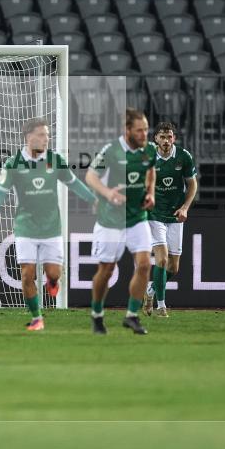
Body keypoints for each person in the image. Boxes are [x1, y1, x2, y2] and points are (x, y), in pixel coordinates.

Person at [0, 118, 97, 331]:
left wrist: (93, 199)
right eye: (41, 135)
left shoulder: (55, 160)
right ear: (29, 137)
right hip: (25, 227)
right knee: (27, 274)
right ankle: (37, 317)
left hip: (52, 228)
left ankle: (53, 282)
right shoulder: (13, 163)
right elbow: (0, 192)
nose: (46, 139)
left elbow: (74, 183)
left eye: (47, 135)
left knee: (54, 274)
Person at [86, 108, 157, 335]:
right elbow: (90, 176)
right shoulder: (112, 151)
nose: (145, 134)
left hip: (137, 217)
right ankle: (97, 314)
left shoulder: (149, 150)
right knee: (106, 269)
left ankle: (132, 315)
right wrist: (108, 194)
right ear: (127, 130)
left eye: (146, 129)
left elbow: (151, 171)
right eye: (139, 130)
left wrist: (150, 193)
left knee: (144, 265)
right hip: (111, 219)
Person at [143, 122, 198, 318]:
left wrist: (185, 208)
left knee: (173, 268)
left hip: (175, 215)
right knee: (162, 259)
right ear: (156, 138)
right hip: (154, 214)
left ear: (174, 138)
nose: (166, 140)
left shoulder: (183, 156)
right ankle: (161, 306)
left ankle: (150, 290)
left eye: (169, 137)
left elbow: (192, 185)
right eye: (162, 137)